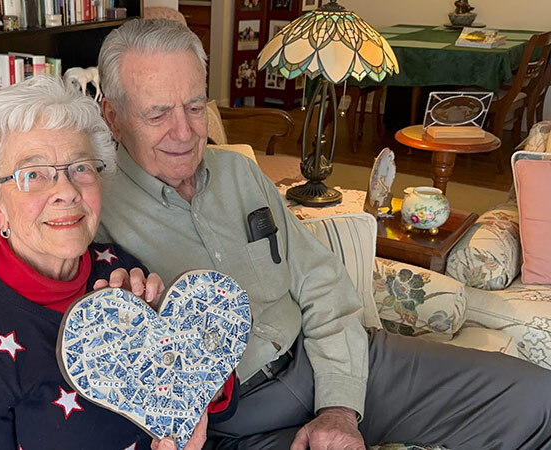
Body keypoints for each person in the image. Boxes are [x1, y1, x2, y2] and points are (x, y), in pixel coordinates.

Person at [96, 18, 551, 449]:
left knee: (539, 398)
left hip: (343, 361)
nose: (185, 132)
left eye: (195, 107)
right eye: (157, 115)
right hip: (235, 422)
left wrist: (338, 406)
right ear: (112, 116)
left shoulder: (238, 171)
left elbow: (321, 282)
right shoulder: (93, 215)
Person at [0, 76, 209, 450]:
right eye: (33, 174)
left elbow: (195, 397)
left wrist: (174, 344)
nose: (66, 191)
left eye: (80, 168)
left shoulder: (117, 268)